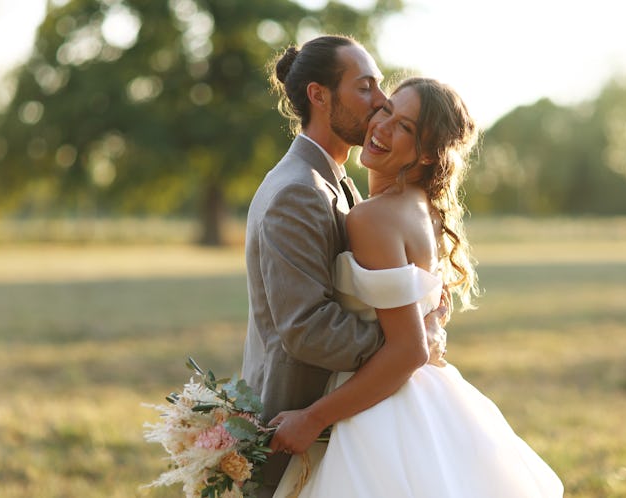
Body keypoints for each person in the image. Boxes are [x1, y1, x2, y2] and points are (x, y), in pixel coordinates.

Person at [268, 77, 564, 497]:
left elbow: (408, 349)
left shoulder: (372, 218)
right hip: (428, 397)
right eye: (387, 110)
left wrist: (313, 418)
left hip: (384, 412)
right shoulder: (423, 208)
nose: (383, 127)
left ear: (427, 153)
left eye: (405, 127)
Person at [241, 36, 448, 498]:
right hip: (291, 416)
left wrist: (416, 326)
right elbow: (307, 327)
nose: (379, 102)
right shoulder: (297, 190)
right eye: (365, 88)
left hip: (339, 423)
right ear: (319, 95)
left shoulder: (341, 185)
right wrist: (407, 344)